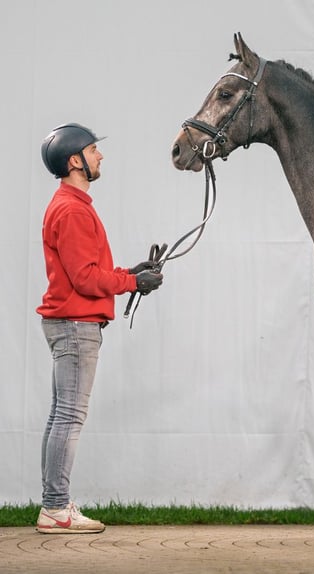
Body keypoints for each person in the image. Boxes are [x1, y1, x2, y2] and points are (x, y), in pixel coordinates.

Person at [35, 123, 163, 534]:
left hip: (70, 322)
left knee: (61, 416)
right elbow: (85, 280)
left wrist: (129, 272)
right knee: (69, 417)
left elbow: (87, 271)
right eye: (93, 150)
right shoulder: (72, 210)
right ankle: (55, 509)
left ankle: (54, 505)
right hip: (75, 325)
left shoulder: (73, 205)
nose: (100, 156)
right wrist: (132, 283)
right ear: (75, 161)